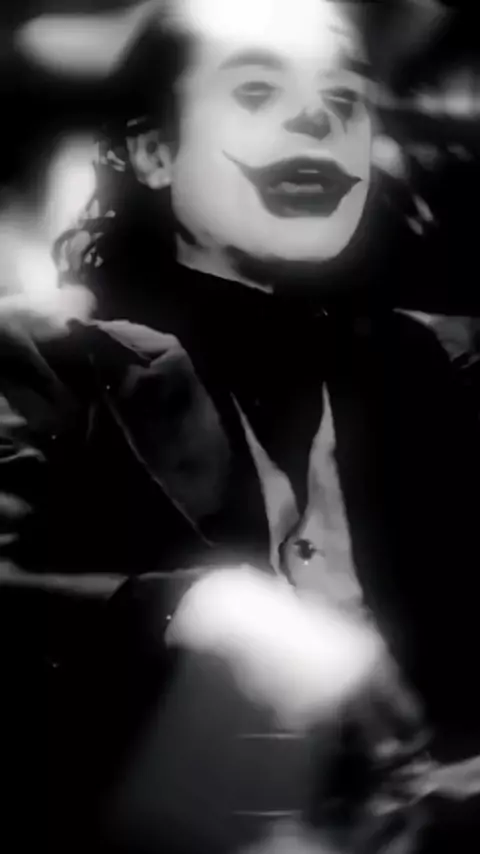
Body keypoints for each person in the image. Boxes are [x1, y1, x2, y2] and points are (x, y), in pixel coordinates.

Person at [1, 1, 480, 852]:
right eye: (257, 90)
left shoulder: (434, 364)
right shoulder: (50, 361)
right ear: (154, 152)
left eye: (347, 98)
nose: (319, 119)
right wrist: (189, 608)